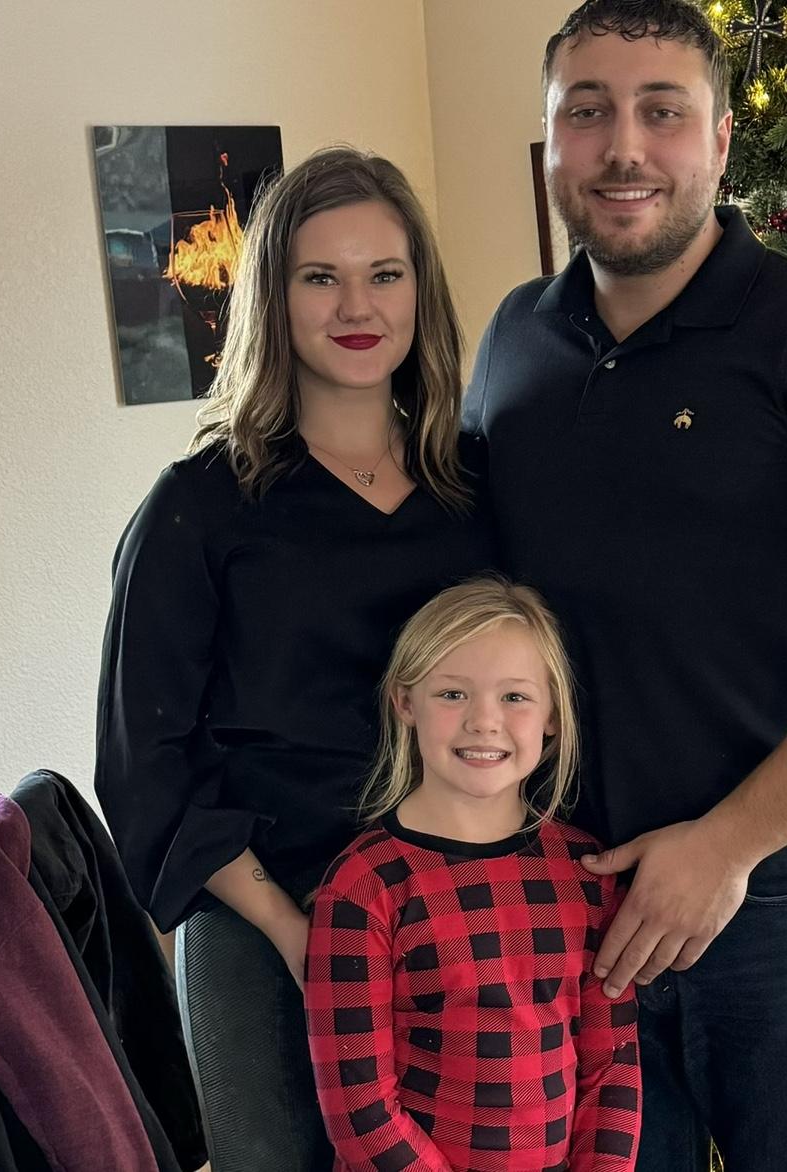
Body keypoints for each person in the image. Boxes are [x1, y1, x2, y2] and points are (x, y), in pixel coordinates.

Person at [462, 1, 787, 1169]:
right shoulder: (510, 339)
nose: (622, 148)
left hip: (778, 898)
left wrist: (724, 847)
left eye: (661, 112)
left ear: (721, 139)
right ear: (549, 137)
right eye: (585, 113)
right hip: (570, 901)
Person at [95, 147, 496, 1171]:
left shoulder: (478, 492)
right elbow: (145, 766)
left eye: (384, 274)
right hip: (271, 933)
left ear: (420, 291)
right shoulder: (199, 510)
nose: (356, 305)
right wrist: (293, 929)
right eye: (321, 277)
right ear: (273, 300)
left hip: (463, 920)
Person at [304, 577, 641, 1172]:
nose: (484, 721)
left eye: (514, 697)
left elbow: (612, 1070)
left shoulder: (586, 873)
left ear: (553, 715)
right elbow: (360, 1113)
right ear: (405, 703)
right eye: (453, 694)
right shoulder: (363, 887)